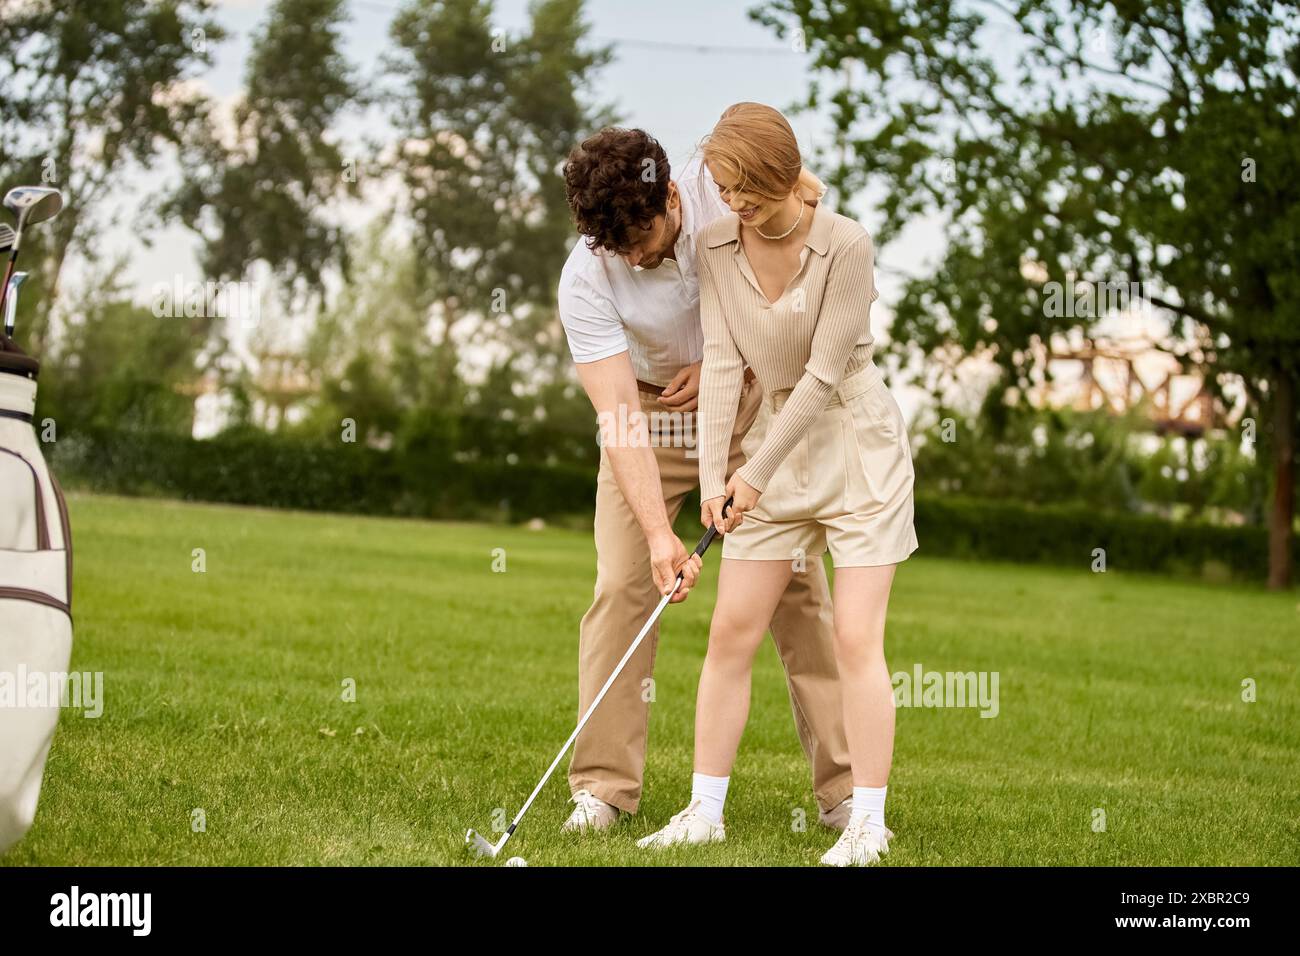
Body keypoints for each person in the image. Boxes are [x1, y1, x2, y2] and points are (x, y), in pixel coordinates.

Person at [636, 103, 918, 866]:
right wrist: (713, 478)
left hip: (858, 447)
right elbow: (725, 362)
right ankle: (703, 812)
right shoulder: (717, 242)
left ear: (778, 174)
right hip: (770, 452)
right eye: (723, 191)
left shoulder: (845, 245)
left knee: (856, 639)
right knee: (731, 633)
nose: (732, 203)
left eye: (743, 188)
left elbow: (825, 375)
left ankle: (867, 824)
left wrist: (750, 476)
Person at [557, 126, 857, 833]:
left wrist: (736, 367)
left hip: (756, 407)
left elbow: (796, 289)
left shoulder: (725, 193)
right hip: (653, 415)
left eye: (643, 236)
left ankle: (844, 791)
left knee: (798, 590)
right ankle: (601, 790)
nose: (634, 256)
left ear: (670, 193)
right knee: (622, 588)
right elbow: (619, 418)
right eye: (617, 247)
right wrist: (662, 536)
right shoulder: (586, 275)